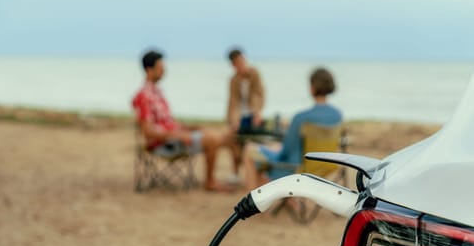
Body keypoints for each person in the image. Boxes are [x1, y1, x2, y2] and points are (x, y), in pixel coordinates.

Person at [132, 49, 233, 192]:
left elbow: (168, 123)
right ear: (149, 69)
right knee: (213, 138)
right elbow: (149, 133)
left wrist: (191, 128)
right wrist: (178, 135)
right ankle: (210, 182)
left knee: (218, 134)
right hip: (165, 145)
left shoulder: (157, 92)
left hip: (175, 138)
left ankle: (226, 176)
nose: (164, 71)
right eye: (161, 68)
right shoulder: (144, 96)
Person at [243, 67, 342, 190]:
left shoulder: (301, 118)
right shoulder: (337, 115)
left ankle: (254, 206)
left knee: (249, 150)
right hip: (326, 168)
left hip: (297, 170)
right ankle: (292, 202)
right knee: (274, 148)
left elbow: (286, 153)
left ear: (312, 88)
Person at [226, 47, 265, 183]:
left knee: (256, 142)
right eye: (237, 62)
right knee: (234, 141)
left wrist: (257, 112)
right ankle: (235, 172)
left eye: (242, 60)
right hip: (240, 117)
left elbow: (259, 95)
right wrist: (233, 121)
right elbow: (233, 102)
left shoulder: (254, 74)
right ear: (233, 64)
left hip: (253, 115)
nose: (241, 64)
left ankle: (258, 173)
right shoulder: (233, 80)